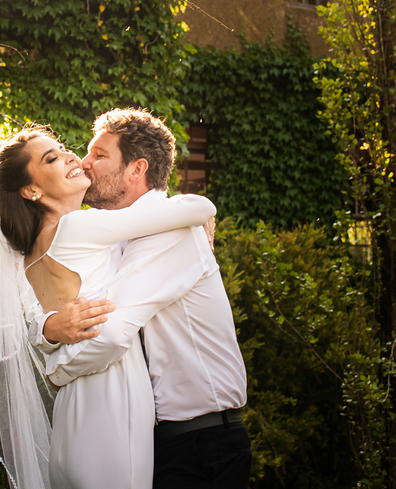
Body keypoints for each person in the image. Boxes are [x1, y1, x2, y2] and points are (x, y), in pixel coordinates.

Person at [0, 125, 216, 489]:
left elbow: (39, 327)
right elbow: (200, 206)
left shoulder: (28, 257)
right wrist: (198, 214)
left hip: (69, 418)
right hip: (111, 401)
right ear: (31, 190)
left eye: (63, 148)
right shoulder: (80, 226)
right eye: (51, 158)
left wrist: (49, 333)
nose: (70, 156)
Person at [35, 109, 252, 489]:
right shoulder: (117, 236)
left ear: (137, 169)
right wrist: (49, 330)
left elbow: (111, 331)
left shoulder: (171, 234)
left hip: (200, 447)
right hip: (161, 442)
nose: (85, 163)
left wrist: (54, 373)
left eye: (99, 155)